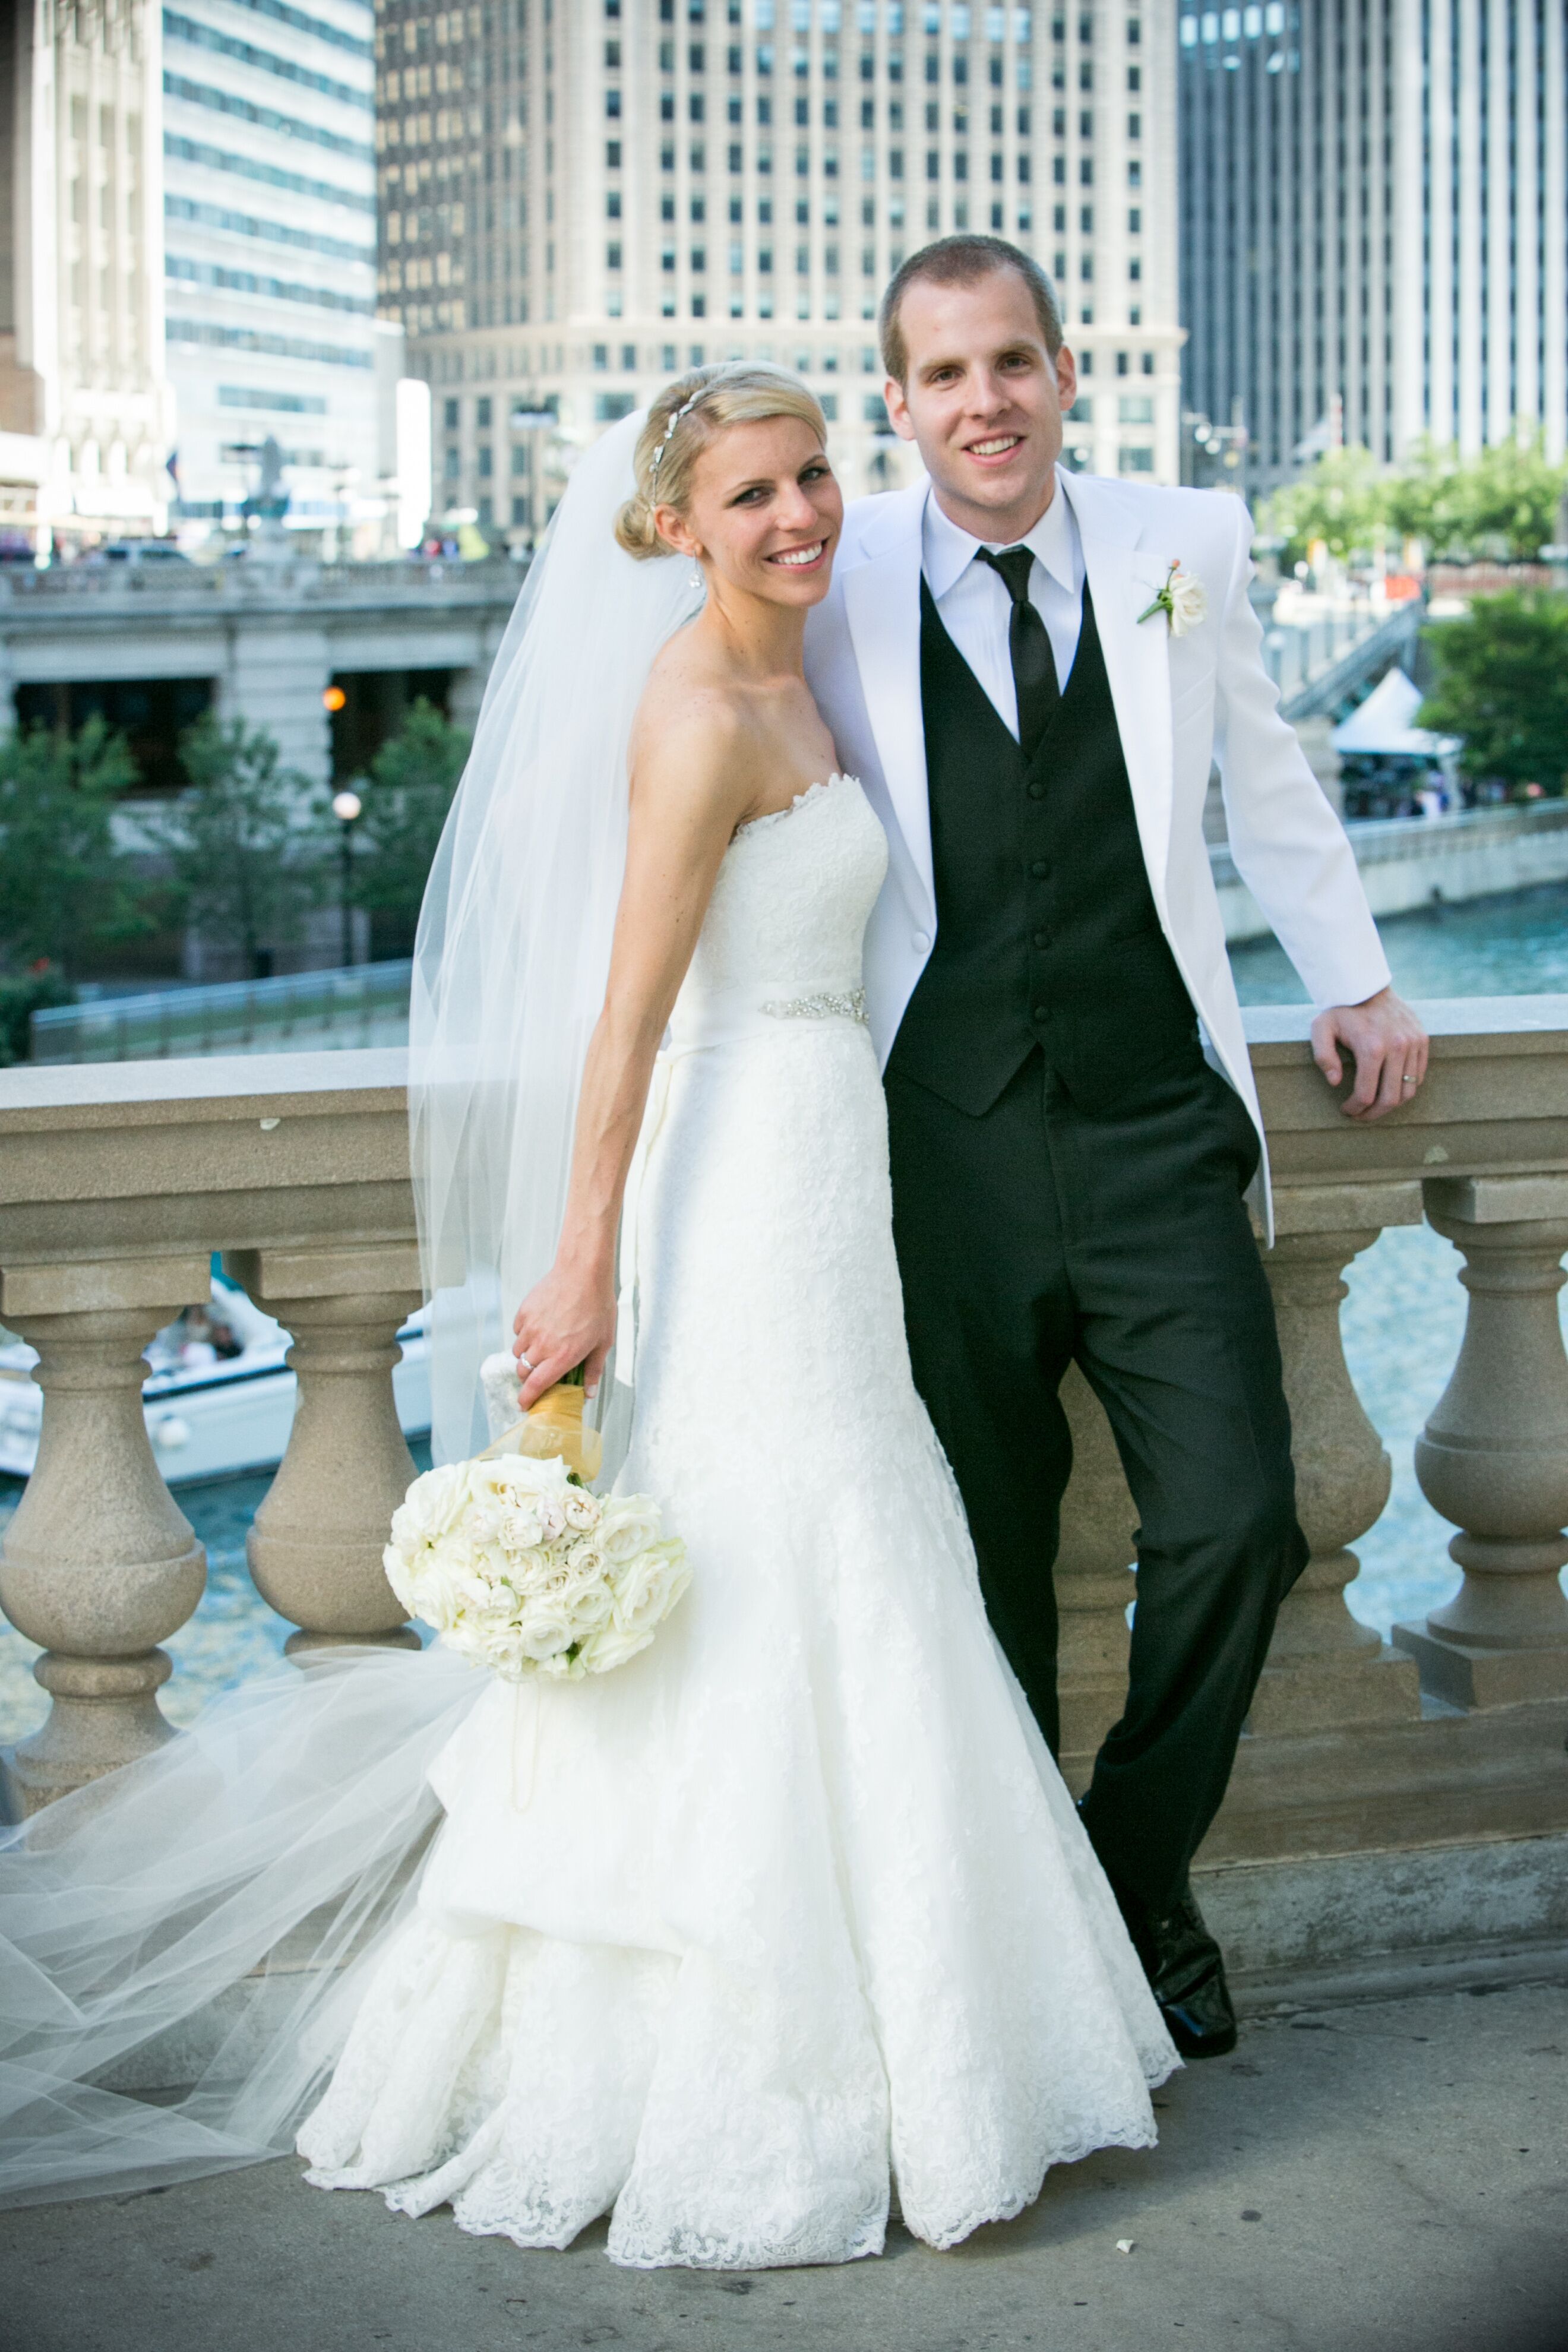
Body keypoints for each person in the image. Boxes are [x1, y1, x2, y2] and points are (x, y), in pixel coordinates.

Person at [0, 368, 1175, 2266]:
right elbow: (623, 1024)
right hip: (737, 1180)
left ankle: (921, 2056)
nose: (799, 516)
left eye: (812, 478)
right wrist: (580, 1262)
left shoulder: (811, 668)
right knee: (772, 1551)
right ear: (673, 530)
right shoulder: (699, 710)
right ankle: (719, 2067)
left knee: (858, 1545)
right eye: (752, 496)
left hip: (830, 1171)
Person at [803, 236, 1427, 2060]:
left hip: (1161, 1125)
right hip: (944, 1146)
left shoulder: (1189, 545)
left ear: (1069, 372)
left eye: (1014, 362)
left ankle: (1130, 1877)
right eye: (943, 375)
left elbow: (1266, 778)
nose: (983, 402)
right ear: (898, 405)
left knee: (1242, 1520)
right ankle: (1025, 1951)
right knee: (986, 1575)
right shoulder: (831, 573)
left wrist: (1362, 979)